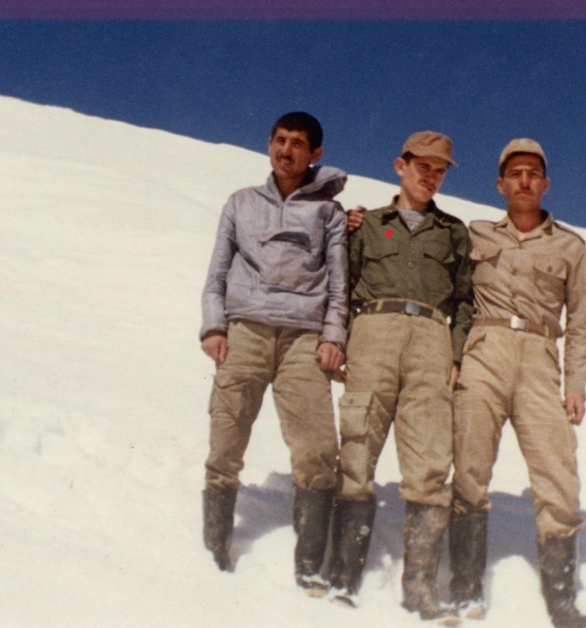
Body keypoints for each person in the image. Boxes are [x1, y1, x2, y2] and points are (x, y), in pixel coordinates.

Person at [449, 139, 586, 628]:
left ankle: (563, 606)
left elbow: (579, 322)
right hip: (485, 350)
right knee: (470, 465)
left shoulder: (570, 246)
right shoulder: (475, 233)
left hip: (540, 359)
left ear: (545, 184)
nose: (524, 180)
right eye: (515, 173)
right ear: (500, 184)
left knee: (558, 476)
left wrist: (575, 384)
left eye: (533, 173)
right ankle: (464, 590)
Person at [199, 112, 348, 595]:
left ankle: (310, 564)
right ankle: (214, 550)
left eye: (298, 143)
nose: (286, 150)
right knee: (226, 439)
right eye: (280, 140)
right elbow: (217, 272)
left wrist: (333, 337)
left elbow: (340, 285)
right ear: (269, 144)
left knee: (317, 449)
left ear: (315, 154)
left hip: (304, 337)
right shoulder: (241, 202)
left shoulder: (329, 213)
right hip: (246, 330)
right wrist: (214, 326)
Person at [330, 131, 472, 623]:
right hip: (374, 331)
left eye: (440, 170)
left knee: (430, 463)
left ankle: (420, 589)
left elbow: (465, 301)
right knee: (357, 449)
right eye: (422, 166)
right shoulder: (366, 223)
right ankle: (343, 576)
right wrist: (339, 338)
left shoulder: (454, 232)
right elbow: (341, 285)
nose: (430, 176)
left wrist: (456, 353)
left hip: (432, 338)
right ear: (400, 166)